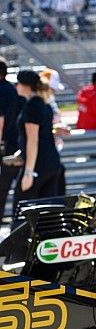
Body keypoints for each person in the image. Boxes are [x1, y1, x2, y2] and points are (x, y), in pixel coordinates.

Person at [12, 70, 62, 226]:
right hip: (51, 163)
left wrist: (29, 172)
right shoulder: (43, 104)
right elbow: (44, 134)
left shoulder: (32, 107)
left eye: (18, 83)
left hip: (38, 166)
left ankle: (20, 249)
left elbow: (33, 140)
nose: (16, 86)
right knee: (46, 213)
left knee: (22, 211)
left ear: (26, 86)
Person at [38, 68, 70, 196]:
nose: (54, 91)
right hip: (45, 155)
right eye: (52, 88)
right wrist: (56, 130)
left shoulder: (50, 102)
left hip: (52, 152)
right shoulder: (39, 104)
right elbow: (40, 130)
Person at [0, 58, 20, 225]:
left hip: (4, 145)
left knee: (2, 188)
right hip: (14, 143)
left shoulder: (1, 90)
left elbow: (0, 119)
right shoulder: (12, 89)